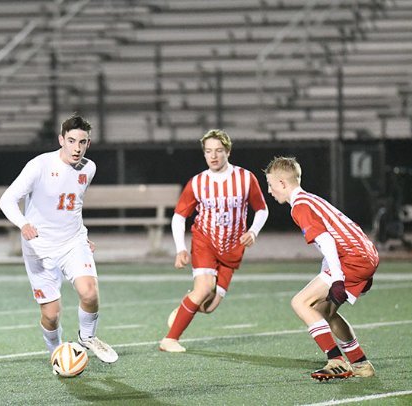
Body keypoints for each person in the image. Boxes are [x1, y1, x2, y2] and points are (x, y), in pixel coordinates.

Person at [0, 114, 118, 364]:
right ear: (61, 139)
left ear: (88, 144)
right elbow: (6, 200)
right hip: (39, 247)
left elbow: (73, 206)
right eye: (72, 140)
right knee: (51, 315)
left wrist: (82, 235)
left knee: (90, 293)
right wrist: (24, 224)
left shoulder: (89, 168)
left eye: (82, 142)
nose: (77, 148)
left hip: (73, 242)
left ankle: (87, 337)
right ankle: (55, 351)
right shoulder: (39, 166)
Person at [264, 156, 378, 381]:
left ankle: (335, 360)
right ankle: (361, 364)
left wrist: (336, 279)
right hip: (365, 256)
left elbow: (326, 242)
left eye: (270, 184)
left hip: (353, 260)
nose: (269, 191)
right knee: (325, 312)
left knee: (300, 302)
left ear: (283, 184)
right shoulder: (311, 200)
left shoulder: (300, 207)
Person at [159, 129, 269, 352]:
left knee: (208, 306)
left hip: (232, 247)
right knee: (205, 287)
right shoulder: (197, 182)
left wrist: (254, 231)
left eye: (218, 150)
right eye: (208, 151)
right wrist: (180, 248)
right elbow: (179, 216)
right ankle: (170, 339)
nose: (214, 156)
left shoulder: (246, 178)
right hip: (205, 241)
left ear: (228, 151)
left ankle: (186, 306)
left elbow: (262, 210)